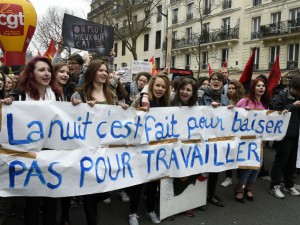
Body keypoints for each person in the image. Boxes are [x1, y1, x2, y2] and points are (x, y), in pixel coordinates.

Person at [9, 56, 62, 225]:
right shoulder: (18, 95)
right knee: (31, 200)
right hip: (29, 155)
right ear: (31, 73)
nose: (46, 73)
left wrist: (75, 104)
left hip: (52, 154)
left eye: (48, 70)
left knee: (51, 198)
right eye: (41, 70)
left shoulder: (58, 95)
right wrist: (5, 104)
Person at [71, 60, 117, 225]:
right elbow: (71, 120)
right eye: (100, 70)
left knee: (107, 189)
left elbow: (117, 120)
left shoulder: (112, 95)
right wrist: (77, 106)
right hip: (87, 151)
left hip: (107, 150)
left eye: (106, 70)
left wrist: (124, 110)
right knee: (89, 191)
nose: (104, 73)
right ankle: (92, 221)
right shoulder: (79, 95)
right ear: (92, 73)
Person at [128, 74, 170, 225]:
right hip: (141, 149)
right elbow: (129, 116)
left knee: (153, 183)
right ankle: (132, 213)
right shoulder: (143, 99)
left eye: (163, 86)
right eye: (157, 85)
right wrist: (143, 96)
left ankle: (150, 210)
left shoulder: (166, 104)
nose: (160, 89)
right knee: (137, 183)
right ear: (151, 86)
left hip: (157, 152)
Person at [198, 72, 233, 207]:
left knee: (214, 169)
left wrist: (230, 109)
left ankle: (211, 194)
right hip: (202, 139)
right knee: (200, 169)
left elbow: (228, 120)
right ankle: (197, 197)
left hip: (217, 140)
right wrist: (207, 109)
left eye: (219, 80)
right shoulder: (201, 95)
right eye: (213, 79)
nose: (216, 81)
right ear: (210, 81)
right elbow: (193, 112)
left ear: (223, 83)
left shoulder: (224, 99)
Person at [234, 78, 269, 203]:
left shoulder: (264, 105)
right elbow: (233, 115)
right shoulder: (245, 101)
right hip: (245, 141)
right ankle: (239, 189)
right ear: (253, 88)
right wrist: (244, 112)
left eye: (263, 86)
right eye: (258, 85)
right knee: (248, 167)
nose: (261, 88)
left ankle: (249, 188)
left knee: (257, 167)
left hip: (258, 141)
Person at [171, 78, 198, 218]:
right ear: (178, 89)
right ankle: (170, 206)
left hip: (189, 147)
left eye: (188, 90)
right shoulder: (170, 101)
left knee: (188, 174)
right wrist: (144, 94)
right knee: (174, 175)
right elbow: (149, 90)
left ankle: (186, 204)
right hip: (172, 146)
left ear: (193, 93)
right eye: (183, 88)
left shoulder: (197, 106)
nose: (185, 92)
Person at [270, 75, 300, 199]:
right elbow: (277, 112)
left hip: (296, 133)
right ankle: (274, 186)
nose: (299, 92)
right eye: (297, 90)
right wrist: (292, 105)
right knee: (281, 161)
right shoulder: (282, 95)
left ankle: (289, 185)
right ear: (291, 87)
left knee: (292, 162)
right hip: (284, 134)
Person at [220, 80, 245, 188]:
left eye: (233, 88)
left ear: (238, 89)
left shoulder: (243, 101)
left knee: (239, 156)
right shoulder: (226, 100)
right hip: (228, 132)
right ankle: (228, 178)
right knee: (229, 155)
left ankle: (241, 180)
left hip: (239, 132)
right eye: (229, 88)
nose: (230, 90)